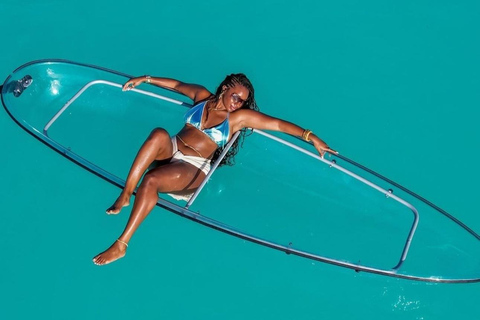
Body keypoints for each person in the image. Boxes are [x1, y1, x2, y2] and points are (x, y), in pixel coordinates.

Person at [93, 73, 336, 265]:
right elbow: (177, 85)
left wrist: (310, 136)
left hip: (193, 167)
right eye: (235, 97)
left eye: (242, 101)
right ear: (225, 88)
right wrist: (145, 79)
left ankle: (122, 244)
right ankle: (126, 194)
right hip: (173, 148)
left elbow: (277, 124)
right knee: (158, 133)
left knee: (152, 180)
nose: (238, 103)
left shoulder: (239, 118)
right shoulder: (202, 96)